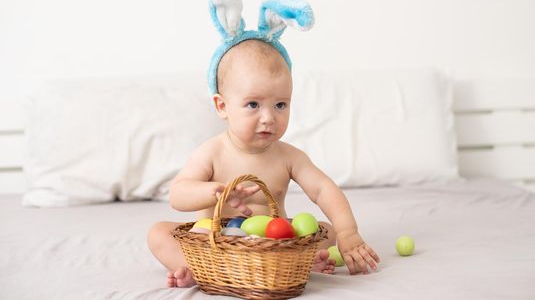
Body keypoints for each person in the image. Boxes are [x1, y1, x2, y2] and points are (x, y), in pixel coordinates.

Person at [147, 39, 380, 287]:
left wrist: (347, 232)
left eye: (280, 105)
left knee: (325, 230)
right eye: (253, 104)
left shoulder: (289, 156)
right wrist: (214, 191)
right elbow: (177, 195)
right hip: (216, 242)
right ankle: (200, 268)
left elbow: (323, 189)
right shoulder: (212, 152)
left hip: (272, 244)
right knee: (158, 233)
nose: (269, 118)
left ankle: (290, 264)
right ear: (222, 106)